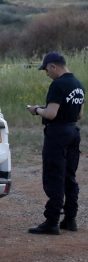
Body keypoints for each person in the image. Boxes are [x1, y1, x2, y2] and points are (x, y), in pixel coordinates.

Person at [26, 52, 82, 235]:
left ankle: (51, 221)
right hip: (73, 132)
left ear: (53, 66)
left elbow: (51, 114)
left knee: (54, 176)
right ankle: (70, 219)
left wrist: (36, 110)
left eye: (46, 70)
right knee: (69, 176)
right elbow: (79, 115)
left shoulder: (58, 85)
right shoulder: (78, 85)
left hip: (57, 134)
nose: (46, 73)